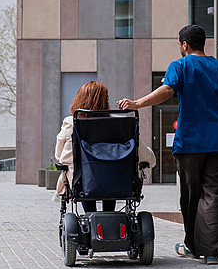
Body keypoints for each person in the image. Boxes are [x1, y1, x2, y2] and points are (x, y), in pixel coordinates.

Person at [118, 25, 218, 265]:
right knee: (216, 193)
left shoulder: (180, 66)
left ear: (184, 44)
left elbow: (167, 90)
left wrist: (136, 104)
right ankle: (211, 251)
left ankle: (193, 246)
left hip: (191, 142)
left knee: (191, 195)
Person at [56, 80, 155, 213]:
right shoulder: (120, 123)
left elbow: (59, 156)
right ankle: (110, 214)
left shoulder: (71, 123)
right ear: (105, 101)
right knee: (110, 173)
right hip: (118, 181)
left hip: (82, 181)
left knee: (88, 176)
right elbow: (145, 156)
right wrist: (151, 159)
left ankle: (90, 214)